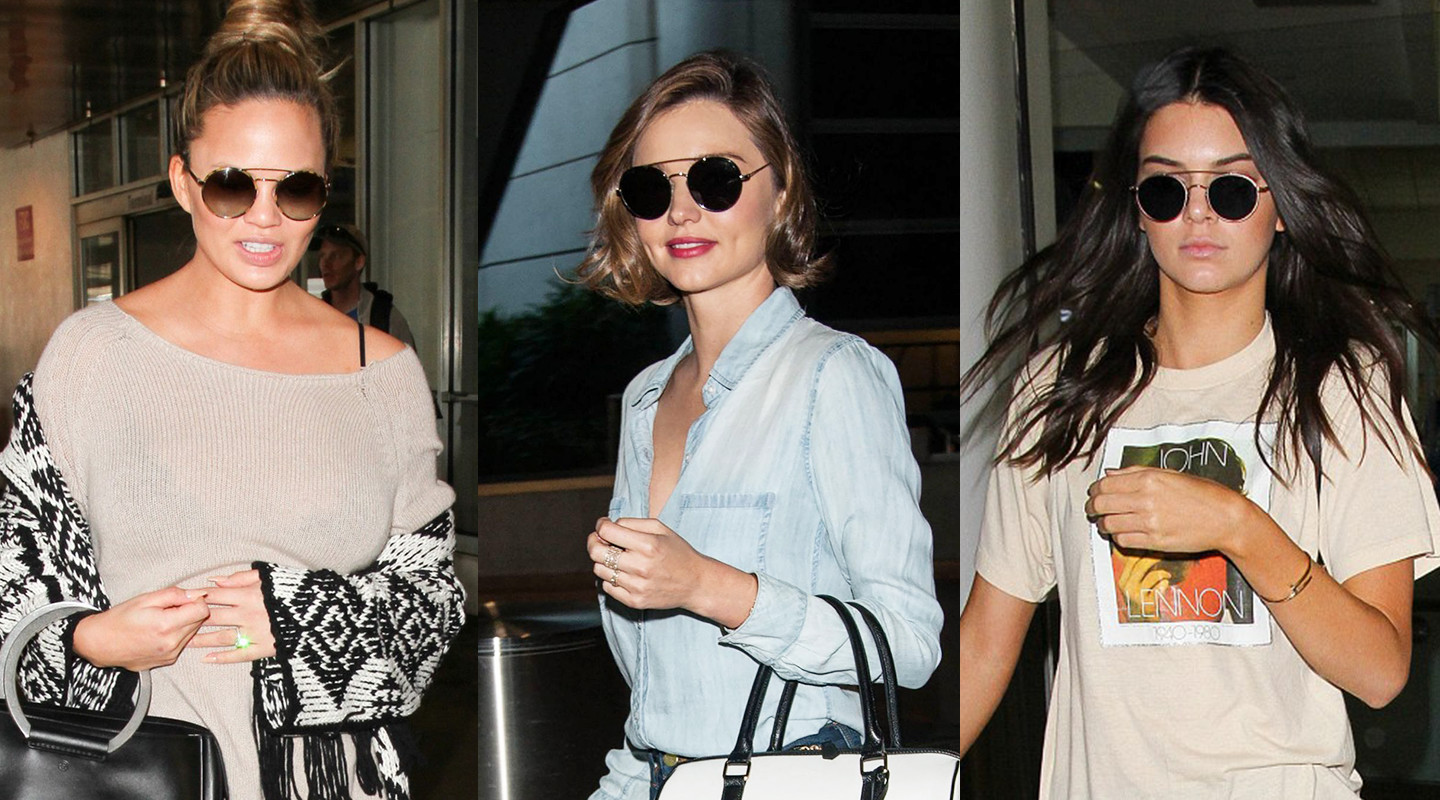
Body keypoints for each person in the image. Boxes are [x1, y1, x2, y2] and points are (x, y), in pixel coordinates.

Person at [0, 2, 464, 799]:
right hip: (136, 772)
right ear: (183, 182)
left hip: (334, 781)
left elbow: (432, 609)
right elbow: (12, 587)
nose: (264, 216)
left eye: (296, 189)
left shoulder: (382, 372)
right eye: (230, 184)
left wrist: (296, 620)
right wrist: (93, 641)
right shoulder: (90, 355)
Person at [958, 46, 1440, 798]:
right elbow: (987, 643)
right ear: (1136, 209)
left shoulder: (1341, 388)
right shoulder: (1059, 387)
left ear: (1281, 206)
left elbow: (1380, 671)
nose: (1198, 213)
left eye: (1232, 189)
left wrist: (1236, 525)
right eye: (1165, 189)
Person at [575, 50, 944, 800]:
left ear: (780, 193)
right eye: (652, 189)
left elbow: (908, 646)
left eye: (714, 180)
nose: (682, 212)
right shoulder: (645, 399)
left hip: (792, 771)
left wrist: (708, 585)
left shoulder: (834, 374)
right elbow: (655, 696)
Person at [315, 222, 418, 351]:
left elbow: (405, 363)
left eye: (335, 256)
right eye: (322, 256)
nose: (325, 264)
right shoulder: (314, 317)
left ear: (359, 262)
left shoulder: (384, 318)